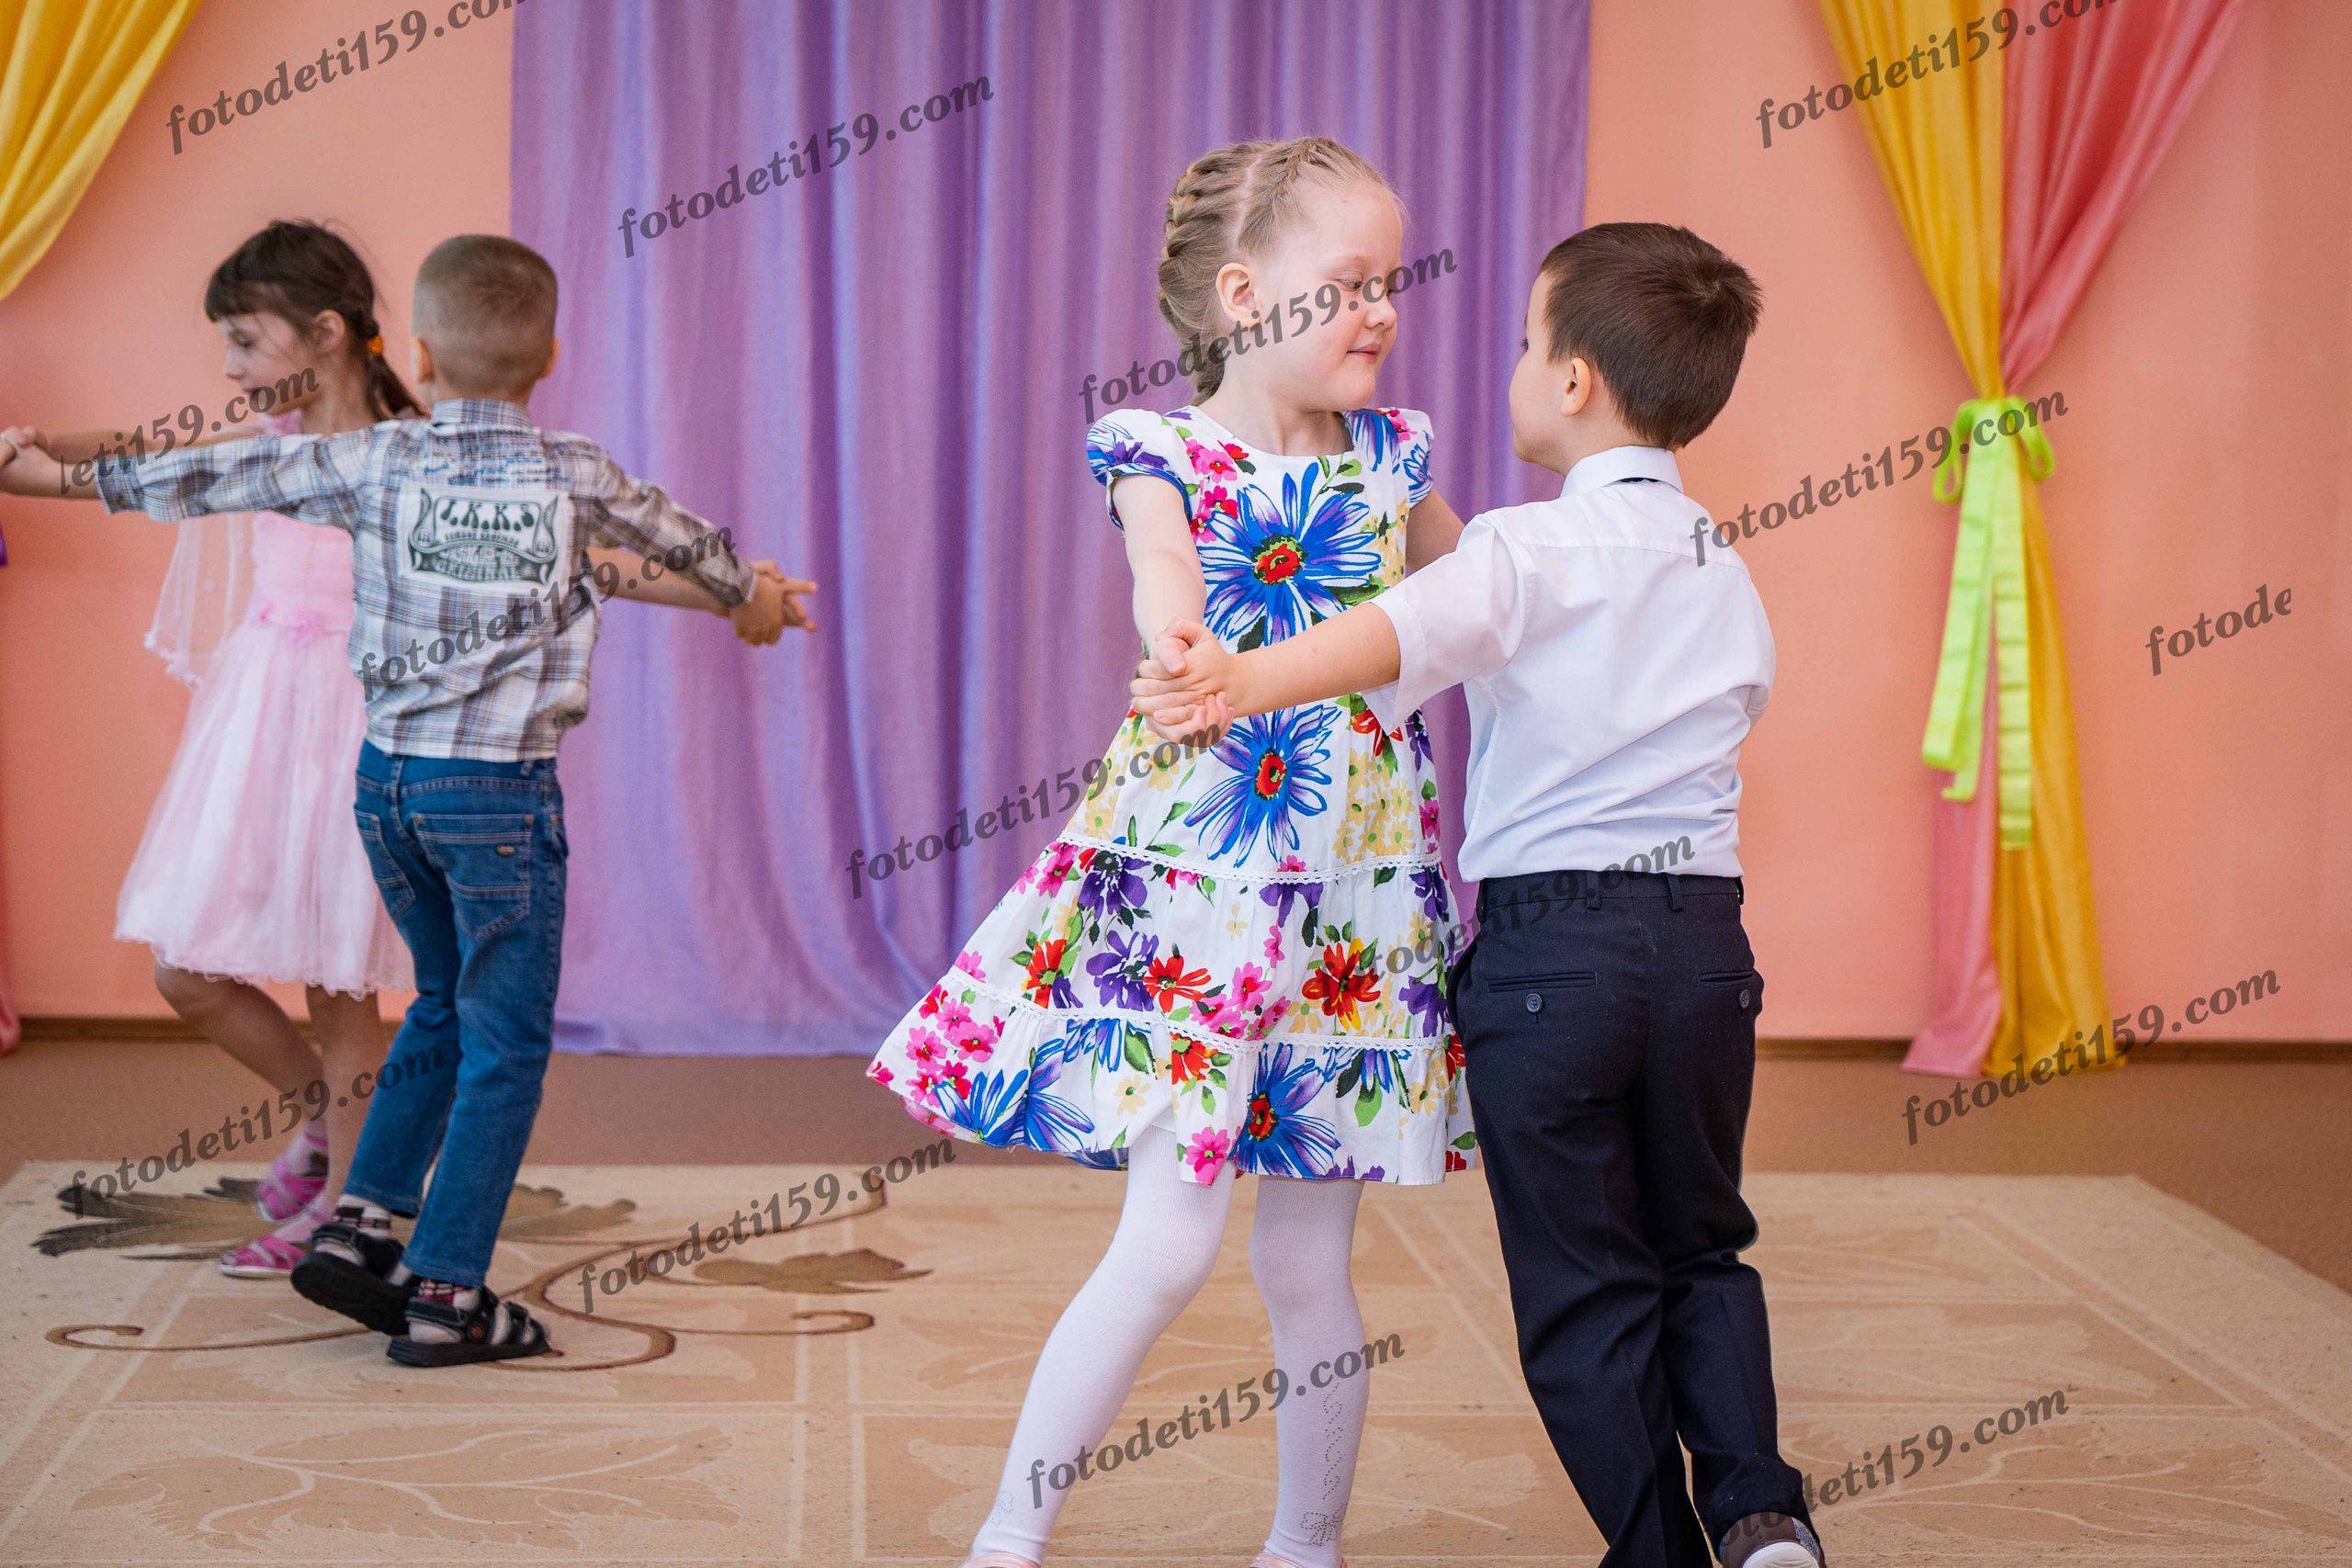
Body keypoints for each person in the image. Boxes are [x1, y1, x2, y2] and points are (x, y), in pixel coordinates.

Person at [1130, 224, 1824, 1568]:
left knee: (1585, 1282)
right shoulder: (1720, 563)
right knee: (1702, 1245)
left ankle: (1657, 1551)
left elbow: (1386, 635)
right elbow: (1719, 699)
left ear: (1570, 381)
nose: (1511, 366)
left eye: (1522, 343)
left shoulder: (1521, 550)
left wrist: (1236, 679)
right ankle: (1759, 1512)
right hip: (1704, 950)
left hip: (1554, 958)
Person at [0, 231, 815, 1365]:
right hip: (476, 795)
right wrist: (748, 591)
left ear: (415, 352)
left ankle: (357, 1224)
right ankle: (443, 1294)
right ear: (550, 355)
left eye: (243, 341)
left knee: (424, 1003)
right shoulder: (563, 468)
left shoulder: (375, 460)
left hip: (381, 781)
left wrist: (47, 478)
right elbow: (671, 541)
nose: (230, 364)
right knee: (500, 1045)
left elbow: (186, 476)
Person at [863, 137, 1476, 1568]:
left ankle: (1305, 1544)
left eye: (1390, 282)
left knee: (1308, 1261)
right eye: (1351, 283)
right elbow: (1164, 570)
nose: (1383, 310)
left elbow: (1484, 594)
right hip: (1207, 889)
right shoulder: (1160, 449)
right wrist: (1181, 640)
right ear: (1245, 294)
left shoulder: (1399, 457)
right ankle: (1011, 1531)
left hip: (1358, 908)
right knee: (1169, 1240)